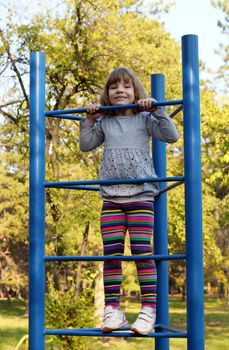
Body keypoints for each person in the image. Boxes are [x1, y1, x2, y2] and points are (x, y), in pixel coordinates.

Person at [79, 67, 179, 335]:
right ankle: (113, 309)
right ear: (107, 94)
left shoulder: (145, 118)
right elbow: (86, 144)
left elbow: (171, 136)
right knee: (111, 253)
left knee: (141, 252)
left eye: (126, 86)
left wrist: (157, 110)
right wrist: (89, 119)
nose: (120, 91)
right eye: (114, 87)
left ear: (136, 91)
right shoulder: (105, 122)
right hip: (111, 197)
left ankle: (148, 309)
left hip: (141, 195)